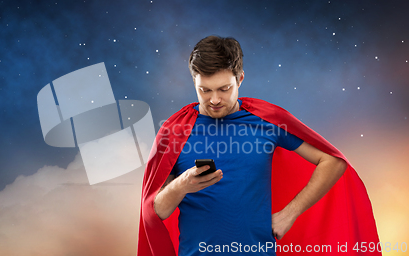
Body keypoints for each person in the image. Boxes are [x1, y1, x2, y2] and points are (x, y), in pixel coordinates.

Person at [137, 36, 380, 256]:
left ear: (240, 78)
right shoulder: (173, 131)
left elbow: (332, 161)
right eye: (204, 90)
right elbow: (154, 212)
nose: (214, 99)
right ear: (194, 82)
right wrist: (181, 185)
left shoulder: (267, 120)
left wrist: (290, 213)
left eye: (224, 89)